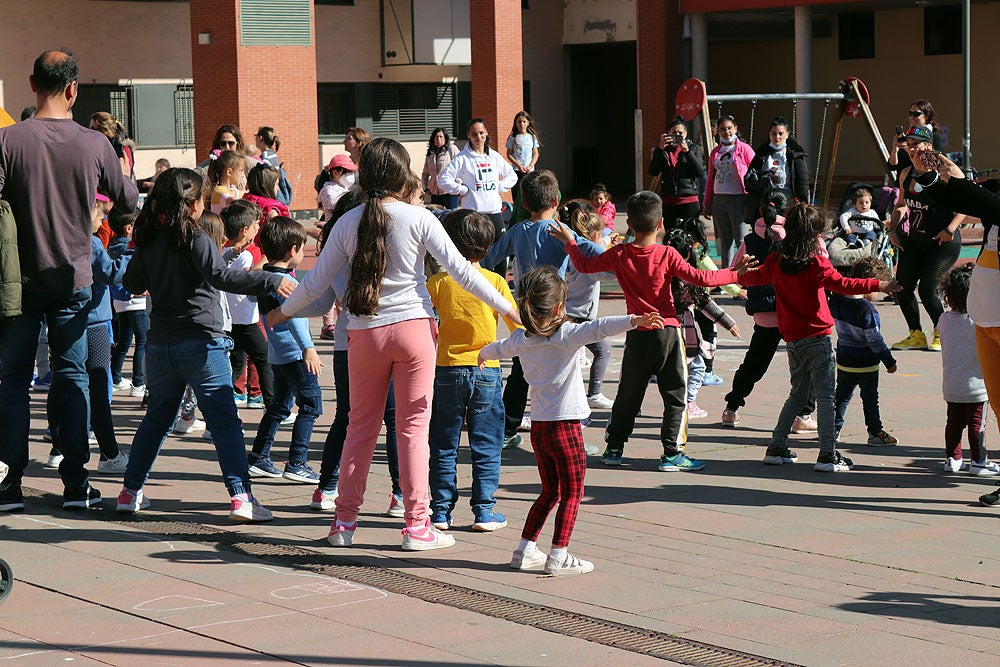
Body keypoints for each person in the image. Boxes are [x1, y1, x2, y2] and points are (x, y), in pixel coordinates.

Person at [273, 137, 520, 550]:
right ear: (402, 172)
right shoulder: (418, 216)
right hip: (413, 331)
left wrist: (280, 315)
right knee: (411, 431)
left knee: (359, 429)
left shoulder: (348, 221)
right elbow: (465, 273)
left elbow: (313, 285)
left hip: (363, 333)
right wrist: (511, 312)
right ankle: (417, 526)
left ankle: (343, 524)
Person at [0, 49, 138, 513]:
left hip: (19, 280)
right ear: (74, 89)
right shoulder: (94, 144)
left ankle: (9, 480)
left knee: (14, 381)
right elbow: (127, 198)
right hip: (75, 277)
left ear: (32, 84)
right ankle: (76, 482)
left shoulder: (8, 141)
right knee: (73, 376)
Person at [115, 168, 295, 521]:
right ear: (193, 204)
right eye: (201, 198)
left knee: (155, 421)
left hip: (161, 347)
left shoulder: (151, 239)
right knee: (225, 423)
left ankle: (129, 492)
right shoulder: (195, 238)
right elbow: (221, 276)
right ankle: (241, 498)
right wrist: (270, 279)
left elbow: (132, 282)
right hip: (201, 343)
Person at [480, 265, 664, 575]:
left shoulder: (521, 339)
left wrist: (483, 354)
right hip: (565, 427)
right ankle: (558, 555)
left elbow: (496, 348)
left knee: (550, 491)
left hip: (539, 428)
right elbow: (600, 327)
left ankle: (525, 550)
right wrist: (634, 321)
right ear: (558, 306)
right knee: (573, 493)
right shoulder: (566, 334)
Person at [553, 191, 752, 471]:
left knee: (628, 394)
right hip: (667, 332)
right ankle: (672, 454)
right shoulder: (667, 254)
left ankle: (614, 448)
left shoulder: (620, 253)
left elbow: (584, 265)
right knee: (675, 395)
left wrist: (570, 242)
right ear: (661, 224)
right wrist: (736, 273)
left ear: (629, 225)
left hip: (636, 330)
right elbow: (703, 278)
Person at [737, 203, 899, 472]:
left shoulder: (777, 261)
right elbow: (844, 284)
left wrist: (737, 272)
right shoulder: (814, 263)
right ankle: (827, 454)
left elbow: (749, 279)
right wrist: (879, 284)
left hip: (793, 340)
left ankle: (777, 446)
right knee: (826, 397)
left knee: (797, 395)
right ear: (813, 236)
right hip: (817, 338)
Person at [481, 170, 604, 450]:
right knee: (563, 373)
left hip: (526, 314)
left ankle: (507, 427)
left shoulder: (517, 230)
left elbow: (489, 258)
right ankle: (570, 436)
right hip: (554, 313)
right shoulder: (561, 232)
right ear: (556, 199)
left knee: (520, 370)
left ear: (523, 201)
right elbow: (597, 257)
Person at [310, 190, 404, 516]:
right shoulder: (381, 250)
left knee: (347, 419)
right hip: (381, 340)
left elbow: (321, 302)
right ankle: (399, 493)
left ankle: (326, 487)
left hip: (345, 344)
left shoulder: (336, 252)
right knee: (393, 421)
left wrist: (283, 306)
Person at [427, 209, 518, 531]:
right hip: (487, 369)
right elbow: (516, 322)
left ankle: (440, 512)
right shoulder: (494, 281)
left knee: (443, 444)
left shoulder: (437, 282)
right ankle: (484, 510)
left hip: (447, 370)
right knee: (487, 444)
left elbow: (423, 316)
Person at [721, 190, 818, 432]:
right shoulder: (799, 238)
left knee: (753, 364)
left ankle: (731, 408)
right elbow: (819, 264)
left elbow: (736, 272)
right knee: (808, 365)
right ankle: (803, 415)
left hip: (765, 315)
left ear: (762, 211)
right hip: (794, 313)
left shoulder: (751, 239)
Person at [247, 217, 323, 483]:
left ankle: (259, 456)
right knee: (311, 404)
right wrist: (309, 349)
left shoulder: (265, 277)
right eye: (303, 248)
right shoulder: (287, 284)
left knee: (279, 406)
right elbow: (297, 318)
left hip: (277, 354)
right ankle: (297, 462)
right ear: (293, 250)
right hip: (294, 354)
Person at [888, 125, 965, 353]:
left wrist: (950, 228)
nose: (912, 149)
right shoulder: (905, 173)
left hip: (943, 243)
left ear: (929, 146)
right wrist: (892, 229)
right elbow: (902, 205)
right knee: (901, 287)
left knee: (928, 289)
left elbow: (965, 204)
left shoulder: (944, 172)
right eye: (909, 145)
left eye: (917, 144)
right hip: (915, 240)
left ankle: (942, 333)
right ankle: (916, 335)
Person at [663, 228, 740, 420]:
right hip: (681, 330)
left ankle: (634, 406)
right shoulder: (687, 278)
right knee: (696, 367)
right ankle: (688, 403)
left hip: (656, 330)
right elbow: (704, 301)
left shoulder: (659, 276)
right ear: (689, 254)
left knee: (652, 370)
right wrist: (729, 323)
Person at [936, 262, 998, 475]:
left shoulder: (944, 319)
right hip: (977, 386)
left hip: (952, 384)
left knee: (953, 424)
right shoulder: (977, 323)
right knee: (976, 424)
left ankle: (952, 458)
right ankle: (979, 460)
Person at [829, 257, 899, 446]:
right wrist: (888, 360)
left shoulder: (837, 299)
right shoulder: (867, 310)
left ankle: (832, 429)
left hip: (844, 360)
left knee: (841, 397)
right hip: (866, 364)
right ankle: (875, 431)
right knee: (869, 399)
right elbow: (875, 340)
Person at [439, 117, 517, 275]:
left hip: (494, 212)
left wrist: (499, 186)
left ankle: (500, 282)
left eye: (481, 133)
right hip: (474, 213)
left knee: (500, 250)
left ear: (486, 133)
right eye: (474, 134)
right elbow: (443, 180)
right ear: (468, 135)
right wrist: (462, 190)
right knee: (475, 251)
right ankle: (478, 283)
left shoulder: (494, 156)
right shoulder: (462, 158)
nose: (478, 137)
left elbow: (512, 176)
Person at [219, 200, 274, 413]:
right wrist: (266, 262)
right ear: (244, 231)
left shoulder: (223, 251)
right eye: (255, 226)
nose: (257, 228)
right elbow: (248, 280)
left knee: (235, 365)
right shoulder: (246, 254)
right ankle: (273, 406)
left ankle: (226, 405)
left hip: (230, 321)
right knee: (264, 359)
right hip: (245, 321)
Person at [564, 206, 616, 411]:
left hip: (566, 313)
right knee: (603, 350)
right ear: (595, 236)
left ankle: (571, 392)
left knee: (569, 356)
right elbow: (611, 273)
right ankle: (594, 393)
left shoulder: (569, 254)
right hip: (581, 316)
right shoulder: (590, 262)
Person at [703, 115, 755, 268]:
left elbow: (755, 172)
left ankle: (745, 276)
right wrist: (707, 202)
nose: (726, 132)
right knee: (725, 241)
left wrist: (751, 200)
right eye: (722, 129)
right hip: (719, 200)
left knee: (741, 240)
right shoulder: (715, 152)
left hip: (738, 199)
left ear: (735, 129)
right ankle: (726, 278)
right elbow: (710, 178)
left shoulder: (744, 149)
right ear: (717, 132)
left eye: (729, 128)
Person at [108, 207, 148, 397]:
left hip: (120, 303)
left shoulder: (112, 246)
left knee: (124, 341)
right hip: (136, 301)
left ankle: (115, 377)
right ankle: (138, 383)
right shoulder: (129, 248)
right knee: (142, 341)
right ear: (129, 228)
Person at [744, 116, 809, 230]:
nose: (777, 137)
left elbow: (802, 181)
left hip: (787, 203)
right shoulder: (761, 155)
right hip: (764, 203)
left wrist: (802, 203)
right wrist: (766, 178)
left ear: (787, 134)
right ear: (769, 134)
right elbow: (749, 180)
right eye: (774, 133)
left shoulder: (795, 155)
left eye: (780, 133)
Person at [648, 118, 705, 230]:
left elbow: (699, 172)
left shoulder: (693, 148)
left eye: (680, 133)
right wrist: (660, 149)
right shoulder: (662, 151)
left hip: (689, 199)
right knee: (671, 233)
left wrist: (687, 152)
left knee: (690, 234)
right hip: (668, 199)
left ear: (686, 134)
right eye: (674, 132)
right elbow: (653, 171)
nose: (677, 135)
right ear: (668, 133)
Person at [887, 99, 944, 182]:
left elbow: (934, 164)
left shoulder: (934, 138)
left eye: (916, 114)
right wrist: (895, 150)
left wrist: (908, 149)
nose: (911, 117)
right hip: (904, 185)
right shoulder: (906, 137)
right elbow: (892, 166)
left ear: (926, 116)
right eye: (910, 114)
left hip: (922, 186)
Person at [505, 111, 541, 201]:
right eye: (519, 122)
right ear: (516, 123)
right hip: (517, 170)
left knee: (529, 194)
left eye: (524, 121)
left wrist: (530, 165)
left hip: (529, 171)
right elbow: (509, 154)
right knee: (517, 194)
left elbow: (536, 153)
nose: (521, 124)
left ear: (528, 123)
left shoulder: (532, 137)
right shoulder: (512, 137)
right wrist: (518, 165)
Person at [421, 127, 460, 209]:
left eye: (441, 137)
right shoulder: (430, 153)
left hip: (450, 192)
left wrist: (458, 184)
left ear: (445, 138)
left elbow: (460, 168)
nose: (438, 139)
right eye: (436, 137)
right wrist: (426, 188)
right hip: (435, 194)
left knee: (451, 217)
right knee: (437, 217)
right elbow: (425, 173)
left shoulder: (452, 149)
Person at [89, 111, 134, 179]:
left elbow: (122, 177)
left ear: (106, 131)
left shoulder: (123, 150)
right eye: (89, 129)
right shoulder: (92, 149)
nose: (90, 132)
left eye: (94, 129)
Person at [316, 154, 358, 222]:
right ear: (335, 173)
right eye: (349, 172)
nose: (352, 175)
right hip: (333, 228)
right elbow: (340, 208)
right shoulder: (329, 190)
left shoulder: (344, 187)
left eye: (352, 172)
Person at [207, 149, 246, 214]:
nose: (242, 175)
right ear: (229, 172)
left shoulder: (232, 190)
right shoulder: (219, 192)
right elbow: (235, 205)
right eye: (241, 170)